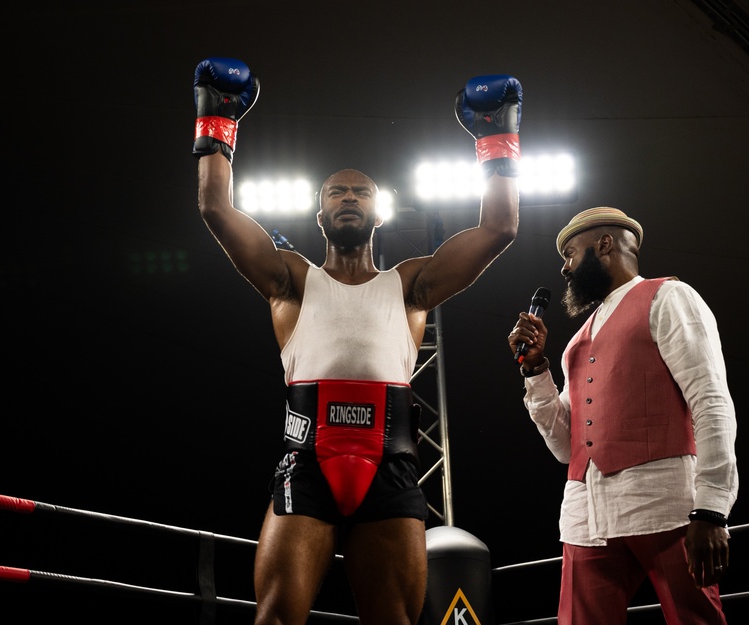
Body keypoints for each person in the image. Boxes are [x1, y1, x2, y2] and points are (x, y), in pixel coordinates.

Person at [192, 57, 522, 625]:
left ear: (378, 210)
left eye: (361, 192)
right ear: (320, 213)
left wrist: (498, 135)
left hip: (390, 468)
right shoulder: (291, 279)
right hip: (307, 463)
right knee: (273, 619)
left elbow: (500, 228)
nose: (349, 198)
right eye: (337, 192)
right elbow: (214, 207)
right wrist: (216, 122)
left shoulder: (412, 285)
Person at [507, 206, 739, 624]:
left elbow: (711, 399)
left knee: (695, 620)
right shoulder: (578, 337)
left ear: (605, 244)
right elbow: (566, 446)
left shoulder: (669, 296)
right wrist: (535, 370)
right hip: (585, 514)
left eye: (571, 254)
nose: (564, 268)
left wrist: (711, 508)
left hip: (663, 502)